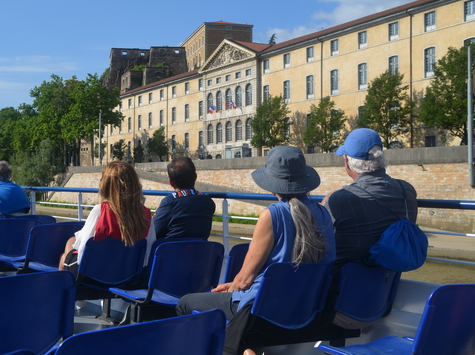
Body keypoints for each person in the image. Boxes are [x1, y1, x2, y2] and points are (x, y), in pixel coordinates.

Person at [176, 146, 335, 355]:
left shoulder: (272, 215)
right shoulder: (323, 213)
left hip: (263, 310)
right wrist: (231, 285)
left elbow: (244, 281)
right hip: (303, 309)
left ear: (273, 184)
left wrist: (230, 287)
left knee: (186, 302)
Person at [323, 128, 418, 274]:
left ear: (347, 162)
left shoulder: (340, 199)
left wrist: (323, 207)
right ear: (380, 158)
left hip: (342, 287)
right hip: (386, 284)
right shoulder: (407, 190)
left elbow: (321, 239)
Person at [58, 161, 156, 271]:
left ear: (104, 185)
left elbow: (82, 256)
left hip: (96, 273)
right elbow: (147, 256)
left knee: (68, 247)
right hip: (128, 273)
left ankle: (63, 286)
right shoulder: (146, 215)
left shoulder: (99, 211)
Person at [153, 157, 215, 239]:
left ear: (171, 182)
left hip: (172, 250)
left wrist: (157, 213)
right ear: (195, 177)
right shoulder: (208, 202)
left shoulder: (169, 202)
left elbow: (154, 232)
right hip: (200, 251)